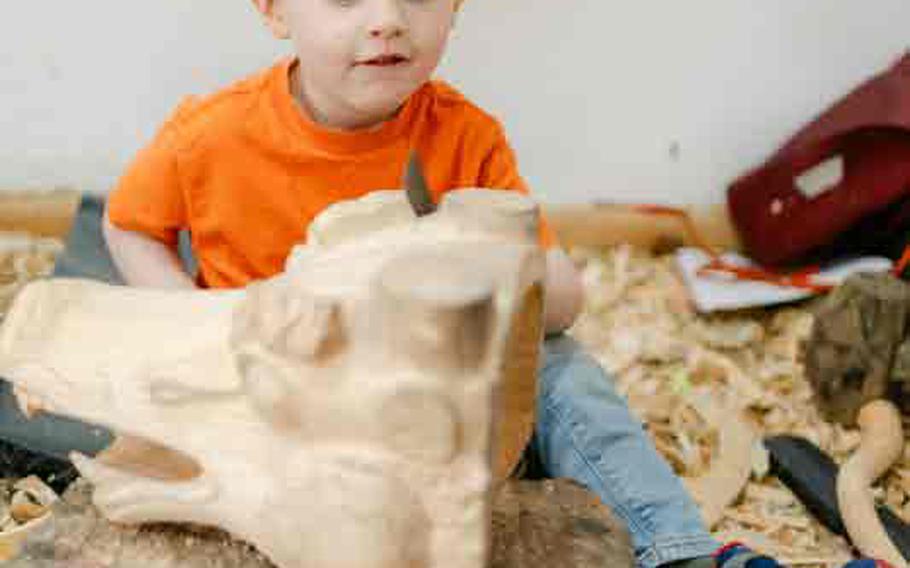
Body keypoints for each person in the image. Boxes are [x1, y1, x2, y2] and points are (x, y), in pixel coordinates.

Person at [98, 1, 878, 567]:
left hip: (433, 386)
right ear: (274, 10)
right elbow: (129, 226)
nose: (388, 19)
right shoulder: (210, 135)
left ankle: (678, 549)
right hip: (285, 384)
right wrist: (194, 319)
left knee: (565, 370)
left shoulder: (463, 137)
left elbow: (555, 298)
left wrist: (505, 276)